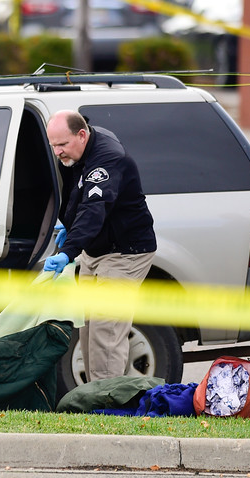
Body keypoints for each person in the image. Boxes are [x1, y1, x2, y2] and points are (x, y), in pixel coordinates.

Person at [43, 109, 157, 382]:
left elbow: (95, 209)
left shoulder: (107, 160)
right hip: (98, 250)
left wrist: (68, 251)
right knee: (89, 330)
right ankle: (96, 399)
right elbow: (75, 195)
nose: (57, 152)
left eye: (62, 145)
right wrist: (68, 225)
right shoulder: (76, 153)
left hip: (125, 253)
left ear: (82, 135)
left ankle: (107, 409)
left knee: (106, 332)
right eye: (53, 145)